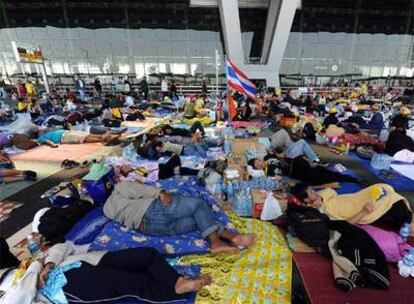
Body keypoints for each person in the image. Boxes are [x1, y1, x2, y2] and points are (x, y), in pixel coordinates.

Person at [0, 238, 212, 304]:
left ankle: (177, 281)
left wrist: (49, 264)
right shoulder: (5, 295)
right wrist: (37, 266)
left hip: (86, 262)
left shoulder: (19, 268)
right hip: (69, 289)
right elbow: (21, 295)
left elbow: (63, 247)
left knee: (146, 254)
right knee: (134, 283)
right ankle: (178, 288)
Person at [104, 181, 255, 254]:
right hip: (153, 210)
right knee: (199, 205)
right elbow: (137, 189)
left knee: (199, 220)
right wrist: (160, 192)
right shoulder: (119, 188)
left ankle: (233, 238)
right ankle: (216, 242)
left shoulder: (106, 210)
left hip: (149, 229)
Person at [291, 183, 412, 230]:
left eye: (313, 189)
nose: (315, 192)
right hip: (357, 209)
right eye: (311, 192)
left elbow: (332, 191)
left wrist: (320, 198)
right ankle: (405, 219)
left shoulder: (320, 196)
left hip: (354, 198)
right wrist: (363, 212)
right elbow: (343, 225)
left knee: (383, 188)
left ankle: (402, 214)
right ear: (306, 200)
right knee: (392, 202)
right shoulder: (313, 212)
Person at [247, 153, 357, 185]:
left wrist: (284, 156)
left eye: (258, 162)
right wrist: (278, 178)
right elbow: (280, 179)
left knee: (323, 173)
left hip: (296, 163)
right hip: (295, 172)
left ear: (259, 159)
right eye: (257, 166)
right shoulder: (268, 174)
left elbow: (282, 155)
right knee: (321, 177)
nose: (259, 165)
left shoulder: (268, 157)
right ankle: (349, 179)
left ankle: (350, 178)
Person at [36, 129, 113, 148]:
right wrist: (53, 144)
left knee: (85, 134)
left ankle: (101, 136)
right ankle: (102, 139)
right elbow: (47, 141)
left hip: (65, 132)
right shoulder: (41, 137)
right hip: (63, 137)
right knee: (81, 138)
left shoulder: (46, 133)